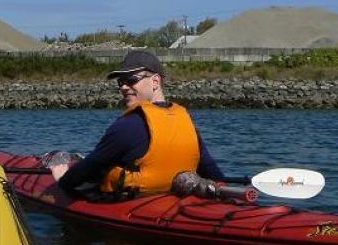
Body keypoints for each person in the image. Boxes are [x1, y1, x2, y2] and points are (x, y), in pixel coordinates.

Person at [50, 49, 224, 195]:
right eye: (120, 82)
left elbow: (87, 170)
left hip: (135, 205)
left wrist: (62, 178)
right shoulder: (187, 121)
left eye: (131, 80)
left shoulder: (127, 125)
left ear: (155, 81)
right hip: (174, 199)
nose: (123, 87)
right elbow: (213, 174)